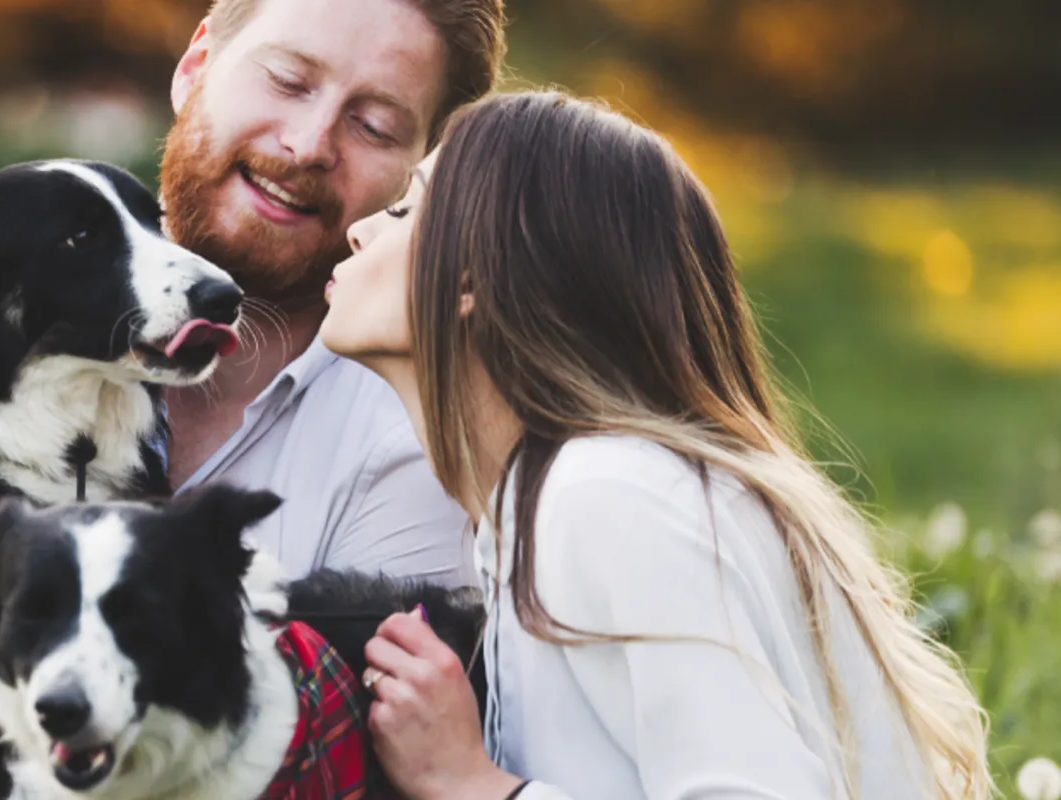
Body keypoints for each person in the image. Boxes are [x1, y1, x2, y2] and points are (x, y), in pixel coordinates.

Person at [0, 0, 508, 794]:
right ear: (195, 67)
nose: (307, 144)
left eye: (374, 126)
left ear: (427, 171)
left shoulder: (413, 433)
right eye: (289, 80)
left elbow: (356, 767)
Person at [323, 91, 992, 799]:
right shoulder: (568, 499)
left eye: (405, 211)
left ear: (470, 278)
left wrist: (468, 783)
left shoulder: (603, 497)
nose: (362, 230)